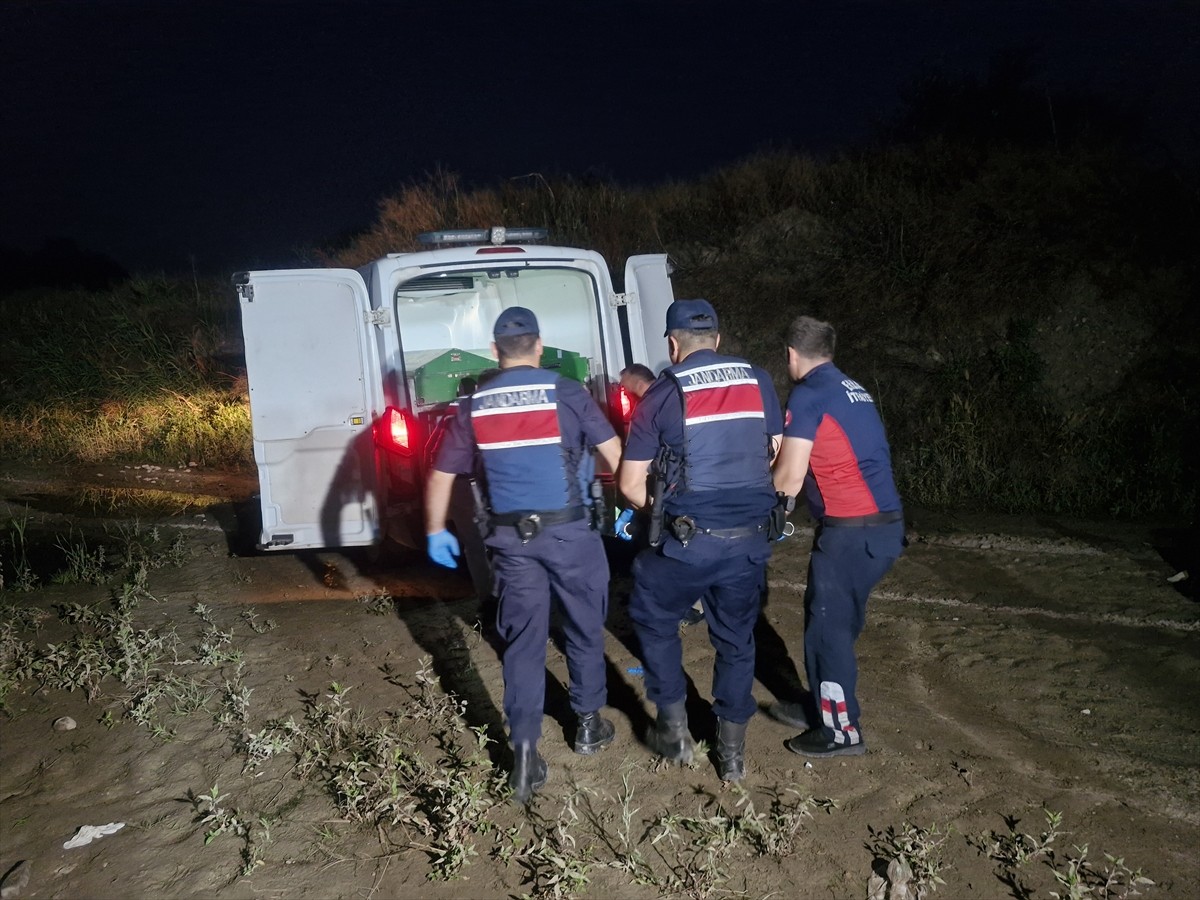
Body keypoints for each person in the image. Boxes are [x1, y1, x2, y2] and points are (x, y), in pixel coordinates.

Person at [425, 307, 624, 803]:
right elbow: (617, 456)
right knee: (582, 626)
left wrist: (434, 530)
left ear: (495, 351)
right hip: (571, 534)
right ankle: (587, 724)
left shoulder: (472, 405)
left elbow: (441, 477)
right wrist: (632, 508)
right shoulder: (567, 392)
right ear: (539, 346)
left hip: (511, 543)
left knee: (523, 641)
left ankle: (526, 753)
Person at [617, 299, 782, 782]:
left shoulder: (663, 395)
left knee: (652, 617)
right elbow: (772, 451)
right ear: (719, 338)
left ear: (672, 345)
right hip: (749, 539)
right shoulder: (760, 380)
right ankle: (730, 754)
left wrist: (663, 509)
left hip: (688, 543)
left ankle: (673, 726)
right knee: (736, 639)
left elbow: (629, 485)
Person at [770, 315, 906, 758]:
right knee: (834, 623)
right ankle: (825, 707)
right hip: (880, 527)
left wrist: (761, 510)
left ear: (792, 355)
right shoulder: (852, 387)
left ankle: (841, 732)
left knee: (827, 628)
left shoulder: (808, 394)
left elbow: (789, 477)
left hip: (852, 533)